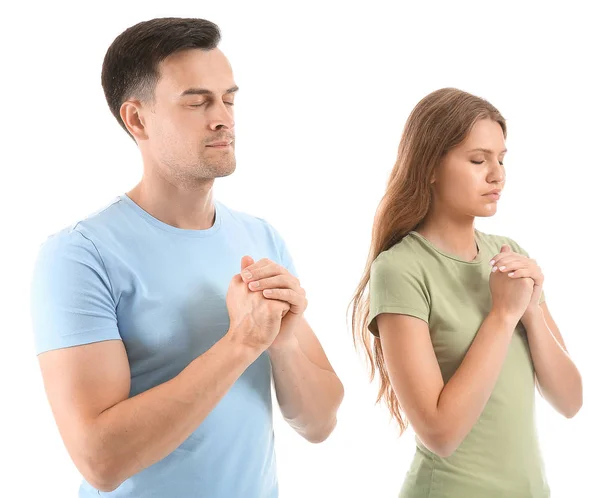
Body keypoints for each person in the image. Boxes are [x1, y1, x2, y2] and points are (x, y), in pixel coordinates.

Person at [30, 17, 344, 498]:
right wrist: (241, 343)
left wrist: (279, 342)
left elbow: (320, 423)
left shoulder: (261, 238)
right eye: (198, 102)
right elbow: (101, 460)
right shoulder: (79, 256)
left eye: (229, 99)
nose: (223, 117)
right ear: (137, 119)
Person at [350, 88, 582, 497]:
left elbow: (570, 401)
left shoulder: (510, 255)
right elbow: (439, 434)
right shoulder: (401, 269)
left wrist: (531, 311)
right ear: (430, 166)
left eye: (501, 159)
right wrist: (502, 316)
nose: (497, 174)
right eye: (478, 160)